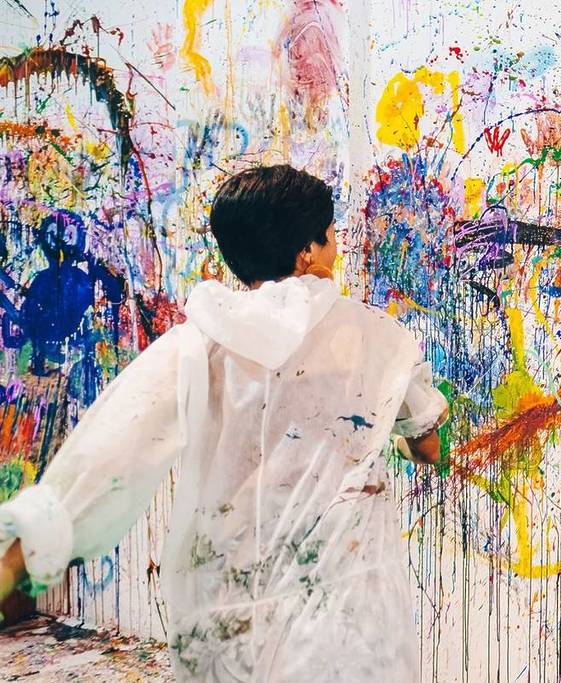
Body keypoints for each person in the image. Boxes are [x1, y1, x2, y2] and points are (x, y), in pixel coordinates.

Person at [0, 165, 448, 681]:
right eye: (329, 237)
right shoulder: (381, 338)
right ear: (307, 252)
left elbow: (109, 454)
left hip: (232, 618)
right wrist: (387, 440)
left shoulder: (199, 341)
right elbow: (428, 445)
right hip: (346, 616)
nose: (335, 249)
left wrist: (16, 560)